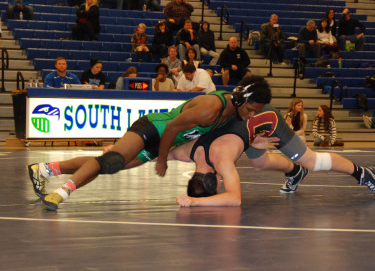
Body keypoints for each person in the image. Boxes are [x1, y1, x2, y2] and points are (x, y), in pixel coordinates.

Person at [27, 76, 272, 210]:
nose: (251, 115)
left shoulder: (230, 113)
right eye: (251, 110)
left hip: (162, 142)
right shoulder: (212, 109)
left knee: (110, 163)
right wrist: (163, 159)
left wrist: (253, 141)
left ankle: (45, 170)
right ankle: (62, 192)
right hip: (153, 128)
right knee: (112, 162)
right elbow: (173, 127)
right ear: (242, 100)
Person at [170, 105, 375, 207]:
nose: (221, 182)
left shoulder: (222, 161)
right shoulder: (185, 152)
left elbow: (234, 199)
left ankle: (364, 173)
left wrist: (195, 203)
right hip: (244, 129)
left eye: (218, 185)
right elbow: (156, 154)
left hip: (266, 120)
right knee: (259, 162)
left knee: (312, 161)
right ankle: (295, 172)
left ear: (213, 181)